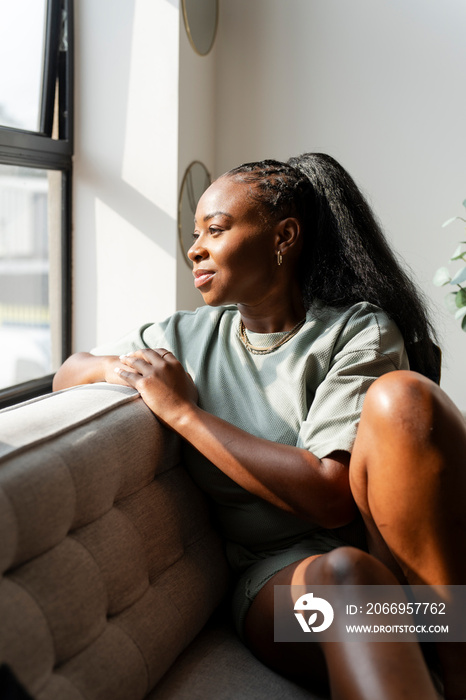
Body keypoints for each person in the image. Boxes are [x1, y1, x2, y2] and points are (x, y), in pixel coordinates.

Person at [53, 154, 466, 700]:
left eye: (215, 230)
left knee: (404, 398)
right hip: (279, 589)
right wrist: (133, 372)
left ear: (283, 237)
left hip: (400, 571)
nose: (194, 248)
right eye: (194, 232)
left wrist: (184, 414)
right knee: (345, 583)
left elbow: (329, 494)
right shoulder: (184, 337)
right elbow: (68, 374)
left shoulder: (355, 329)